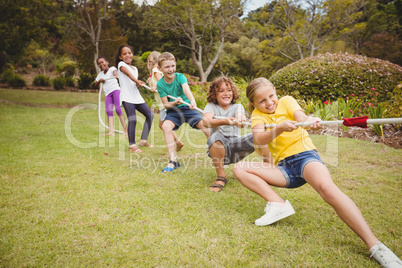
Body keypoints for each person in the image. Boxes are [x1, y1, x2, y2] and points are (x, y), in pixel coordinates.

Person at [232, 77, 402, 267]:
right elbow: (260, 139)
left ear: (275, 93)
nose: (269, 102)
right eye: (262, 101)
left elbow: (301, 117)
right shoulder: (257, 115)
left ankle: (376, 246)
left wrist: (308, 121)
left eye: (271, 96)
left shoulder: (287, 101)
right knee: (239, 168)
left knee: (328, 190)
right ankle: (278, 204)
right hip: (283, 169)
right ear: (253, 103)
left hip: (304, 157)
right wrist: (279, 128)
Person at [202, 76, 270, 192]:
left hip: (236, 148)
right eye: (221, 91)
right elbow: (206, 122)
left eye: (229, 90)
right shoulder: (211, 106)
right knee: (214, 137)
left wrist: (240, 121)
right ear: (214, 94)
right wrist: (225, 121)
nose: (226, 93)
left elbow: (240, 116)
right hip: (218, 149)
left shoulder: (237, 106)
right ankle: (221, 177)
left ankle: (268, 171)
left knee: (261, 135)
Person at [156, 52, 210, 172]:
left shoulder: (180, 77)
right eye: (167, 67)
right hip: (174, 110)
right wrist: (174, 103)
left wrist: (192, 100)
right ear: (160, 69)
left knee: (204, 125)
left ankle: (218, 153)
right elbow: (165, 104)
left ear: (175, 65)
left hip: (187, 108)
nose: (171, 69)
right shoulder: (160, 84)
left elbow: (186, 88)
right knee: (165, 126)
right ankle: (173, 161)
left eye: (172, 66)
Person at [115, 45, 154, 153]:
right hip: (127, 97)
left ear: (132, 54)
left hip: (136, 97)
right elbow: (128, 74)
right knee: (133, 119)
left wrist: (138, 84)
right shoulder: (121, 65)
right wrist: (137, 81)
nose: (127, 55)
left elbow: (133, 82)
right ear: (120, 57)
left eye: (129, 53)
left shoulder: (135, 69)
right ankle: (132, 145)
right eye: (124, 54)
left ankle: (143, 140)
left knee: (150, 115)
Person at [146, 51, 184, 152]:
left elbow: (161, 83)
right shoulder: (158, 71)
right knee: (162, 125)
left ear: (150, 61)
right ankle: (178, 141)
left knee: (165, 126)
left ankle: (176, 144)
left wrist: (156, 86)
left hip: (164, 104)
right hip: (162, 103)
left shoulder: (155, 70)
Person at [94, 56, 127, 136]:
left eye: (102, 62)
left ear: (107, 62)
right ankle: (111, 132)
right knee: (108, 111)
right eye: (99, 63)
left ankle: (126, 131)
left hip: (115, 90)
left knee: (118, 109)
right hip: (108, 94)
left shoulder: (112, 69)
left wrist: (116, 75)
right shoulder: (100, 74)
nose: (101, 64)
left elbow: (115, 73)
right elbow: (95, 84)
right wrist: (99, 81)